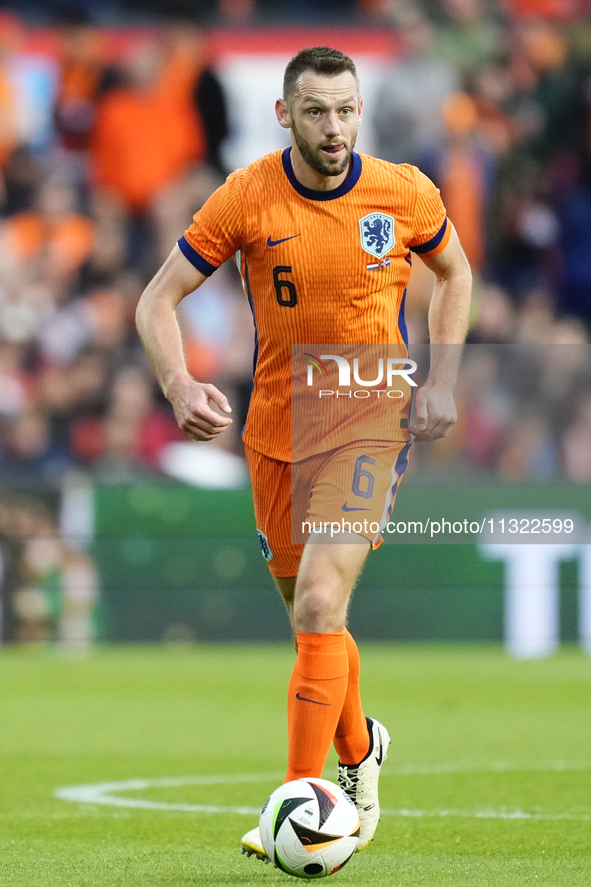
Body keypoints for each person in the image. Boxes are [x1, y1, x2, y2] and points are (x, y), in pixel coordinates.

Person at [136, 46, 472, 861]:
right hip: (275, 433)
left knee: (321, 603)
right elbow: (156, 300)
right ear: (283, 114)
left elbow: (455, 273)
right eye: (316, 111)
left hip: (368, 417)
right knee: (309, 617)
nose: (334, 127)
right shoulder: (245, 196)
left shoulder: (402, 192)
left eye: (346, 109)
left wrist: (441, 380)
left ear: (363, 111)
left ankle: (296, 797)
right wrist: (180, 385)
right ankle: (360, 752)